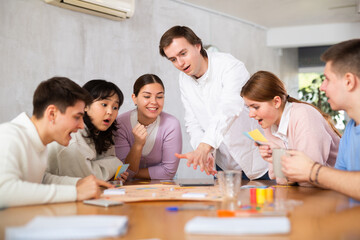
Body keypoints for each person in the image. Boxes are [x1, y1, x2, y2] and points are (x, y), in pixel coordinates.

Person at [159, 25, 268, 180]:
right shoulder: (183, 79)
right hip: (223, 166)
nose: (180, 63)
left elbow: (229, 108)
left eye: (183, 53)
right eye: (173, 60)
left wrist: (206, 145)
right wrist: (203, 151)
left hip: (257, 161)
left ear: (197, 46)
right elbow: (192, 122)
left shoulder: (230, 66)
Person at [0, 77, 113, 208]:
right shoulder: (8, 135)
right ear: (52, 114)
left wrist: (78, 183)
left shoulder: (39, 143)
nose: (82, 126)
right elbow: (3, 192)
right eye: (77, 117)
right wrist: (75, 192)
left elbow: (40, 180)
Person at [281, 39, 360, 200]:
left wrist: (312, 170)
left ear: (349, 81)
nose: (322, 87)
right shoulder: (351, 128)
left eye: (327, 79)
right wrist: (302, 170)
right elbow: (339, 181)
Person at [240, 71, 341, 185]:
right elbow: (282, 181)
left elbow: (309, 177)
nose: (251, 114)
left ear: (276, 102)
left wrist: (280, 157)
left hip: (339, 188)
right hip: (311, 191)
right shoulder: (270, 125)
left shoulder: (304, 115)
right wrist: (276, 156)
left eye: (256, 107)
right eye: (249, 108)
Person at [47, 79, 128, 182]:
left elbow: (107, 168)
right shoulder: (73, 134)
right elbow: (87, 177)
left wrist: (113, 173)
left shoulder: (103, 132)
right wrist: (116, 164)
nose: (110, 112)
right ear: (85, 106)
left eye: (115, 107)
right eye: (104, 104)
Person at [115, 74, 182, 180]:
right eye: (147, 96)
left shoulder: (171, 124)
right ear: (135, 98)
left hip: (163, 186)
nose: (154, 102)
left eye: (159, 97)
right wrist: (138, 145)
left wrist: (130, 173)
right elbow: (121, 171)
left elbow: (169, 172)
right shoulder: (120, 124)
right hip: (127, 187)